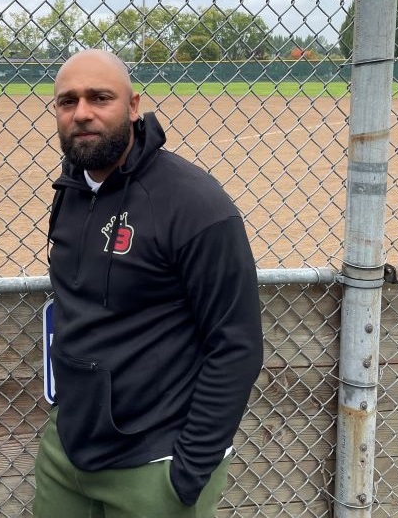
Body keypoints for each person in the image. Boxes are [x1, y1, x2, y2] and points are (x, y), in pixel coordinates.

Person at [34, 49, 263, 518]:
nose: (82, 113)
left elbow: (237, 344)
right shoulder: (72, 190)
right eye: (67, 101)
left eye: (100, 97)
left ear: (134, 106)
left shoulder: (193, 204)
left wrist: (187, 473)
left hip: (155, 461)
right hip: (69, 450)